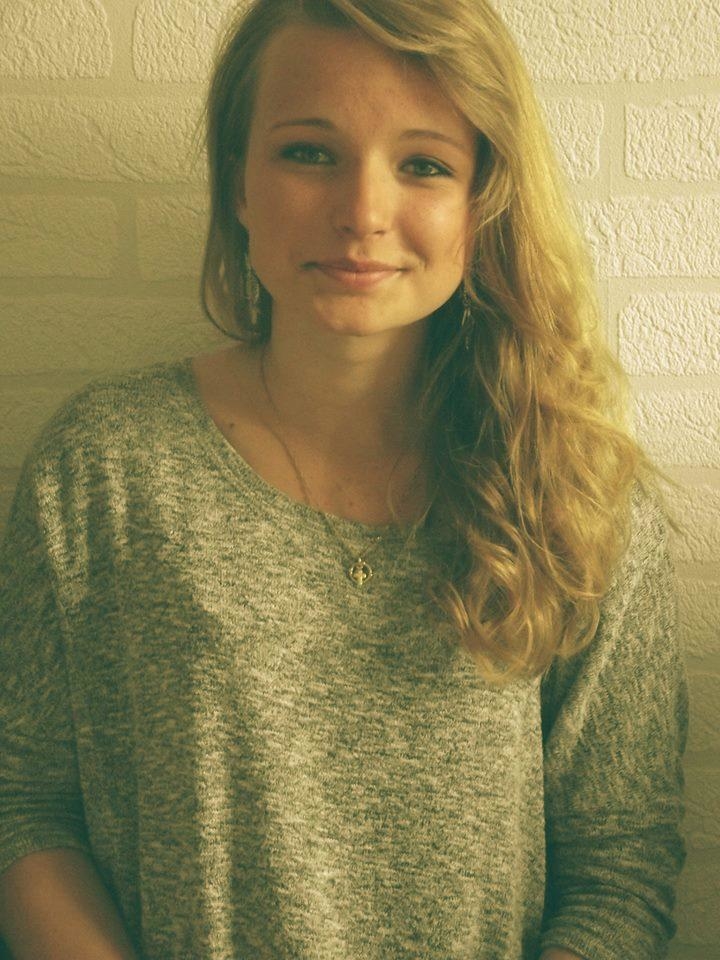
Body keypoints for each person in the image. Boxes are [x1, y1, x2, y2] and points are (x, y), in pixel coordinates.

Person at [0, 1, 688, 958]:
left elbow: (618, 873)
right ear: (239, 183)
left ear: (484, 200)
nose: (363, 213)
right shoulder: (105, 471)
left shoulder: (580, 499)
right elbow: (25, 803)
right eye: (309, 153)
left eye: (424, 164)